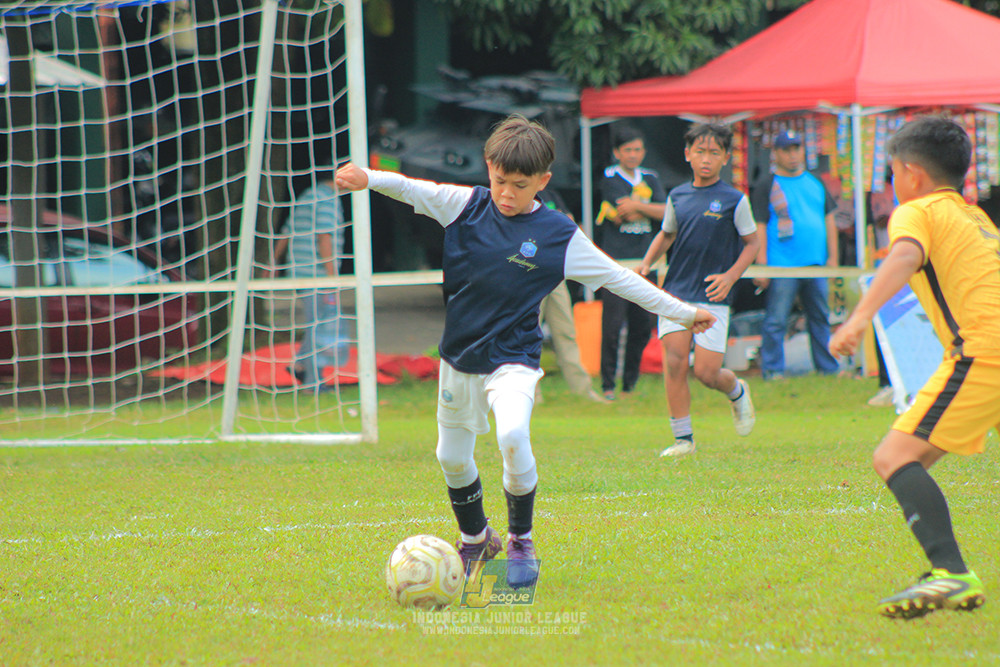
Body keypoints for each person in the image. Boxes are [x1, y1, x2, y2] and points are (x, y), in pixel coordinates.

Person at [334, 114, 715, 589]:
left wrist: (680, 312)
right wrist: (367, 178)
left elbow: (619, 278)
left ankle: (521, 540)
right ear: (488, 167)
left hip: (513, 361)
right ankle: (476, 538)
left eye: (520, 185)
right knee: (450, 458)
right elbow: (413, 188)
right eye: (499, 181)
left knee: (512, 434)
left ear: (543, 181)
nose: (507, 194)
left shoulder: (558, 234)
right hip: (458, 360)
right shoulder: (465, 205)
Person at [829, 115, 996, 619]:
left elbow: (902, 258)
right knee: (910, 456)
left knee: (894, 456)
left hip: (983, 353)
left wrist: (858, 318)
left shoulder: (916, 210)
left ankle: (951, 574)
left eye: (890, 173)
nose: (892, 184)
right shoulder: (975, 218)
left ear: (911, 174)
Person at [638, 123, 760, 457]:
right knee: (675, 362)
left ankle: (735, 390)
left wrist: (731, 277)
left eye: (714, 152)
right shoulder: (677, 196)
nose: (706, 159)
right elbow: (666, 234)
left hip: (713, 297)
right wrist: (647, 263)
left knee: (706, 372)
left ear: (725, 158)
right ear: (687, 154)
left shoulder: (735, 200)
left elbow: (752, 243)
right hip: (676, 292)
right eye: (700, 151)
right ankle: (683, 441)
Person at [750, 130, 840, 380]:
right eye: (786, 150)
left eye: (796, 149)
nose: (792, 155)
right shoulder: (766, 184)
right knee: (776, 319)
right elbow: (759, 225)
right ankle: (773, 370)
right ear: (776, 153)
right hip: (781, 265)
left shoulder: (815, 182)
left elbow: (829, 219)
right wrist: (762, 264)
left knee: (820, 317)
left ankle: (828, 369)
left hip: (816, 263)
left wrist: (833, 258)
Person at [596, 126, 666, 400]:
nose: (633, 155)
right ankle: (608, 385)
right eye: (628, 150)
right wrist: (646, 209)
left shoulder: (651, 177)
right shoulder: (609, 177)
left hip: (646, 262)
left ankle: (629, 384)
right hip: (617, 262)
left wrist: (639, 208)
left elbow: (665, 212)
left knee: (642, 324)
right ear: (617, 153)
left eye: (638, 150)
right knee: (613, 326)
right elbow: (621, 215)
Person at [274, 169, 351, 392]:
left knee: (315, 324)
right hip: (316, 273)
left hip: (298, 271)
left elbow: (287, 231)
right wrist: (332, 275)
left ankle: (299, 365)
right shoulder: (328, 199)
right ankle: (312, 382)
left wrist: (274, 262)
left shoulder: (308, 194)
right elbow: (324, 236)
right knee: (319, 326)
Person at [536, 188, 608, 403]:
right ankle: (531, 394)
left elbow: (569, 224)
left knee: (566, 331)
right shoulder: (517, 193)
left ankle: (583, 392)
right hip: (529, 273)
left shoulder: (551, 194)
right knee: (528, 335)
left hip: (556, 272)